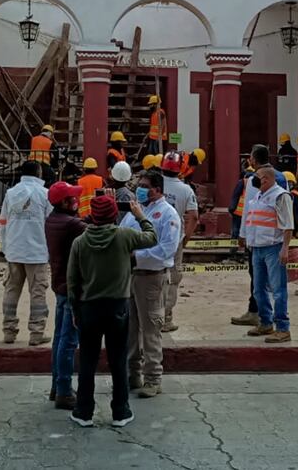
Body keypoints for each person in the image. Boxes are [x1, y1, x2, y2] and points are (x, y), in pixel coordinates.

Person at [67, 195, 157, 428]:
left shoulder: (80, 242)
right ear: (114, 214)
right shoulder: (124, 236)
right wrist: (140, 216)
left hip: (89, 307)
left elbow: (72, 281)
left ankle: (83, 411)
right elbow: (152, 237)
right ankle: (120, 411)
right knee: (118, 360)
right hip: (118, 306)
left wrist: (75, 310)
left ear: (92, 215)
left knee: (88, 361)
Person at [120, 170, 181, 398]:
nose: (140, 189)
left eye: (145, 186)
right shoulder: (136, 211)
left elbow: (166, 249)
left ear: (157, 189)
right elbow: (122, 234)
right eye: (139, 185)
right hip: (131, 276)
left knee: (151, 330)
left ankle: (153, 378)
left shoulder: (168, 214)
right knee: (130, 329)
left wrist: (136, 256)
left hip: (152, 278)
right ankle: (133, 374)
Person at [230, 145, 287, 327]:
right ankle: (265, 319)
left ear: (253, 159)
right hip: (271, 238)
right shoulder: (281, 177)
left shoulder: (255, 179)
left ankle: (264, 317)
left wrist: (242, 234)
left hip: (263, 240)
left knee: (263, 283)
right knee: (267, 284)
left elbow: (248, 209)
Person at [0, 160, 53, 346]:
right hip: (37, 252)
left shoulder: (10, 193)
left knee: (11, 290)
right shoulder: (45, 194)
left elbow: (3, 223)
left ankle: (9, 331)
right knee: (38, 293)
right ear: (39, 173)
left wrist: (6, 248)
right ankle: (37, 332)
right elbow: (51, 224)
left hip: (14, 250)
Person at [45, 181, 88, 410]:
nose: (76, 200)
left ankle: (57, 386)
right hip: (72, 288)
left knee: (59, 338)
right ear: (64, 202)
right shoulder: (72, 224)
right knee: (69, 341)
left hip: (59, 285)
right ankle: (64, 391)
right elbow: (95, 231)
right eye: (72, 198)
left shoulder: (53, 219)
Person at [241, 165, 294, 343]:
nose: (254, 179)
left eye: (257, 176)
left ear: (266, 179)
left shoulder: (280, 196)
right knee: (258, 289)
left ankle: (283, 328)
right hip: (257, 248)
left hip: (273, 248)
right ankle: (265, 322)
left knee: (278, 290)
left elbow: (288, 225)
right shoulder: (259, 195)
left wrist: (285, 248)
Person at [158, 151, 199, 333]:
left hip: (152, 237)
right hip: (175, 239)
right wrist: (186, 237)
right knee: (173, 279)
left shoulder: (154, 184)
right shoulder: (186, 190)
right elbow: (194, 216)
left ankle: (149, 316)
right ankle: (166, 319)